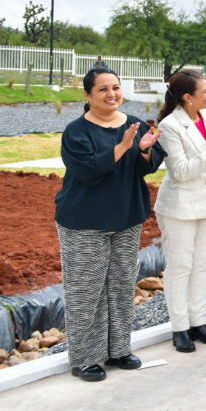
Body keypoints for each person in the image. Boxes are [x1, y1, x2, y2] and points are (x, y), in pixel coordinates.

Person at [55, 67, 164, 381]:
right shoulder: (76, 131)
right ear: (88, 96)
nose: (111, 94)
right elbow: (89, 171)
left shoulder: (134, 124)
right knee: (86, 291)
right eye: (102, 89)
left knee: (119, 287)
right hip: (85, 221)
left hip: (126, 217)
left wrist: (142, 148)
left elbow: (150, 164)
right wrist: (123, 145)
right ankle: (85, 358)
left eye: (115, 87)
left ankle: (119, 350)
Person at [155, 70, 206, 353]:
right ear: (187, 97)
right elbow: (181, 172)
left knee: (201, 264)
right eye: (205, 91)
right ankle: (180, 328)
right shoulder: (170, 126)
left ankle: (198, 322)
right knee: (180, 267)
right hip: (180, 206)